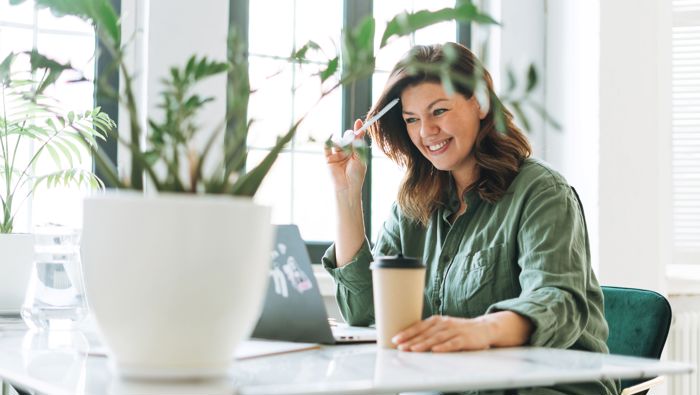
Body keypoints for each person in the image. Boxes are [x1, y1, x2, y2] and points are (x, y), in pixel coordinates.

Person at [322, 42, 618, 395]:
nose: (426, 131)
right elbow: (364, 311)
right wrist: (346, 193)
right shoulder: (414, 203)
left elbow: (559, 302)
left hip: (546, 387)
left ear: (479, 102)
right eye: (412, 119)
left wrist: (480, 330)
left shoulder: (541, 191)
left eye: (439, 111)